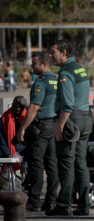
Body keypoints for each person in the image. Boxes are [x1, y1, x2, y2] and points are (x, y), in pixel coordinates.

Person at [47, 39, 92, 216]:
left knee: (66, 163)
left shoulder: (65, 72)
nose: (51, 56)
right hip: (85, 119)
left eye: (53, 52)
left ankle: (64, 205)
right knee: (80, 163)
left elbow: (67, 103)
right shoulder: (80, 68)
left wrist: (60, 124)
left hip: (71, 120)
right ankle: (84, 206)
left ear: (64, 53)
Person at [15, 52, 59, 212]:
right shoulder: (56, 80)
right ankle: (51, 201)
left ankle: (34, 200)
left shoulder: (41, 82)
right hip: (53, 125)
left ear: (44, 64)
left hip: (40, 127)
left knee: (36, 164)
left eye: (34, 63)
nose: (32, 66)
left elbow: (34, 107)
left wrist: (22, 129)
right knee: (51, 165)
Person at [0, 96, 28, 164]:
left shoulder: (28, 118)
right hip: (7, 148)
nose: (18, 109)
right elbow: (1, 138)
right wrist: (7, 153)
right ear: (12, 105)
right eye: (16, 106)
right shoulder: (4, 118)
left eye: (20, 107)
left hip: (24, 147)